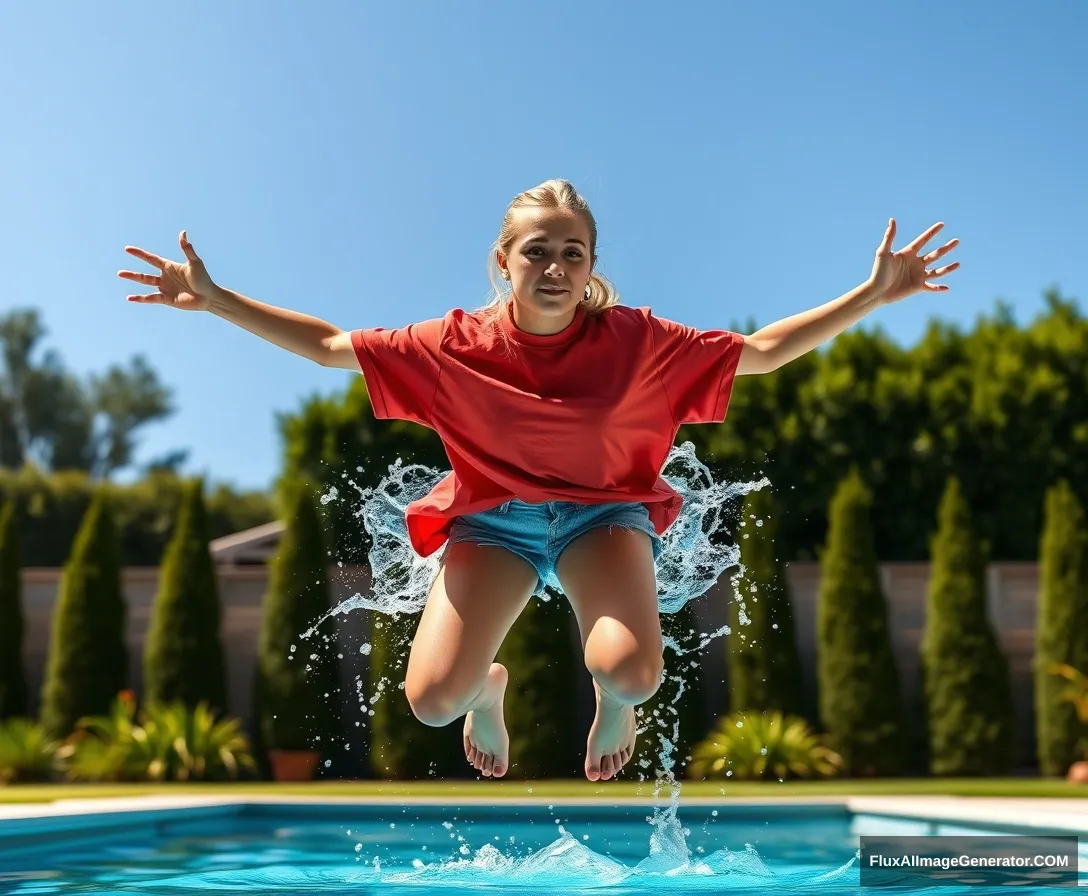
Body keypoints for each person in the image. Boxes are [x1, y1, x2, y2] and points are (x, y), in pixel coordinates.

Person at [119, 179, 958, 783]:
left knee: (631, 673)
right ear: (503, 260)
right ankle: (489, 687)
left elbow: (765, 354)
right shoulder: (452, 344)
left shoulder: (640, 341)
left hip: (605, 520)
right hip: (494, 525)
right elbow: (335, 348)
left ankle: (616, 704)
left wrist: (871, 295)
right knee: (433, 703)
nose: (554, 267)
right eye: (537, 252)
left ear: (591, 263)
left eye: (572, 253)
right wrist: (220, 300)